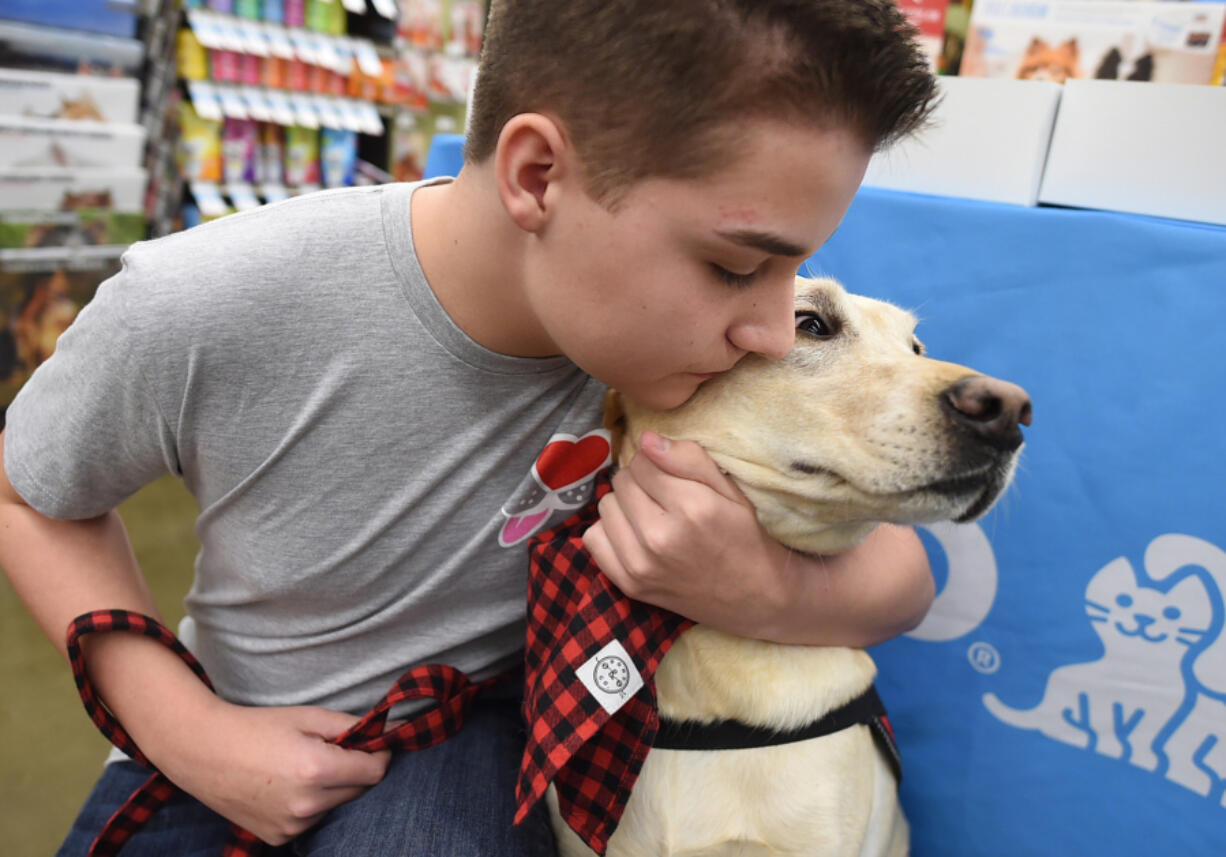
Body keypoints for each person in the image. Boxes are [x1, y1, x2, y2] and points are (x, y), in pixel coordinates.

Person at [0, 1, 940, 855]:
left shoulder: (705, 353)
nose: (773, 332)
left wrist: (755, 583)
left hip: (480, 730)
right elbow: (28, 492)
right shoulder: (203, 300)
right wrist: (180, 727)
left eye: (794, 274)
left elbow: (901, 579)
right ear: (538, 176)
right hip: (226, 712)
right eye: (737, 265)